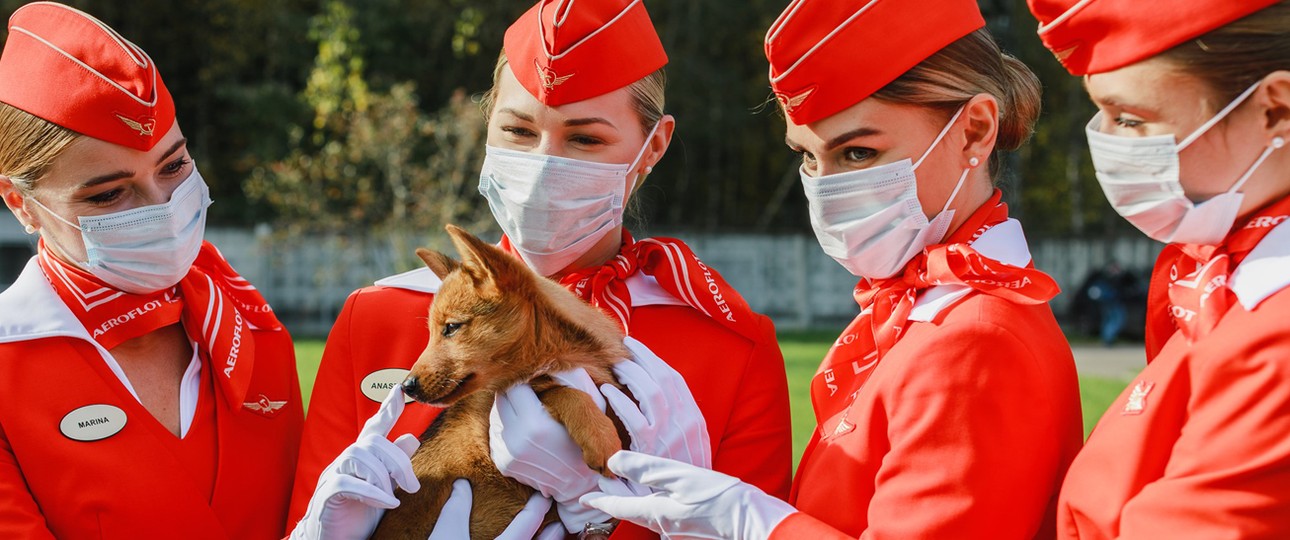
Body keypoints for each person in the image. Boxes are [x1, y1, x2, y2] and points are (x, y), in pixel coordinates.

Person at [576, 1, 1085, 538]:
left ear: (975, 131)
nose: (824, 187)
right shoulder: (923, 308)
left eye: (859, 153)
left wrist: (758, 524)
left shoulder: (974, 338)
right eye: (809, 157)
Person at [288, 0, 794, 538]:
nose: (541, 166)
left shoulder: (731, 348)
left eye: (585, 138)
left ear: (654, 146)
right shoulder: (378, 317)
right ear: (488, 127)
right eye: (519, 132)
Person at [0, 3, 303, 537]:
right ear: (20, 205)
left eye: (174, 165)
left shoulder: (254, 325)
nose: (163, 206)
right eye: (110, 193)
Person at [1026, 0, 1290, 537]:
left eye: (1129, 118)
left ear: (1275, 110)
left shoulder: (1274, 329)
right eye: (1099, 113)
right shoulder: (1223, 276)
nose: (1102, 139)